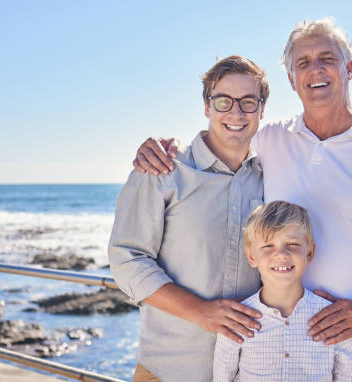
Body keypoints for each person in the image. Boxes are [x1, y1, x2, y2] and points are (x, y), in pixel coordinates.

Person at [132, 17, 352, 381]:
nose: (315, 69)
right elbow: (226, 135)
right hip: (283, 350)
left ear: (348, 68)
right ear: (291, 80)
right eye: (303, 62)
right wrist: (162, 149)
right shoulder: (271, 139)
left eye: (326, 58)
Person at [108, 55, 270, 382]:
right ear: (207, 107)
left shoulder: (273, 173)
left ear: (261, 109)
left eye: (248, 102)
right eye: (223, 101)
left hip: (251, 370)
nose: (235, 113)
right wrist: (200, 312)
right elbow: (127, 257)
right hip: (170, 370)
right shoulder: (163, 168)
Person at [213, 200, 352, 381]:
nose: (281, 254)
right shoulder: (236, 320)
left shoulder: (333, 317)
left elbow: (349, 376)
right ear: (251, 257)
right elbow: (222, 377)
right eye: (268, 246)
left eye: (292, 244)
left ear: (310, 253)